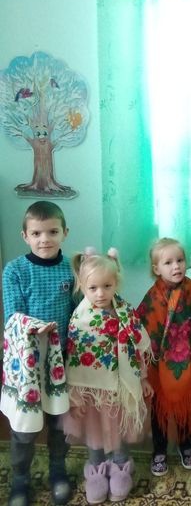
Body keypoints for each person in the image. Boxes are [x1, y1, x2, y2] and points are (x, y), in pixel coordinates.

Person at [63, 248, 153, 505]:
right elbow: (74, 357)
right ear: (82, 286)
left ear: (116, 283)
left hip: (119, 388)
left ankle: (121, 465)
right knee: (95, 432)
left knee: (119, 428)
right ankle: (96, 469)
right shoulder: (79, 319)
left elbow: (136, 349)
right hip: (90, 392)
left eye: (107, 286)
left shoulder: (125, 313)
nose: (100, 293)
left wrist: (143, 378)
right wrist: (75, 396)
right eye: (93, 288)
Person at [1, 201, 74, 506]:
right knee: (24, 427)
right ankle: (20, 480)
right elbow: (12, 316)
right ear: (25, 235)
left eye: (52, 232)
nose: (45, 239)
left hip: (61, 360)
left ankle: (58, 471)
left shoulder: (71, 268)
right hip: (26, 362)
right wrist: (34, 328)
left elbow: (81, 309)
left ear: (65, 232)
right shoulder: (15, 270)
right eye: (37, 233)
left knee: (59, 421)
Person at [138, 238, 191, 477]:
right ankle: (159, 449)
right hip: (159, 365)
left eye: (180, 260)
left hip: (185, 359)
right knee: (160, 410)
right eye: (168, 262)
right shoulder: (153, 296)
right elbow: (143, 327)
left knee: (184, 407)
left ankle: (185, 444)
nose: (176, 266)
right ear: (156, 268)